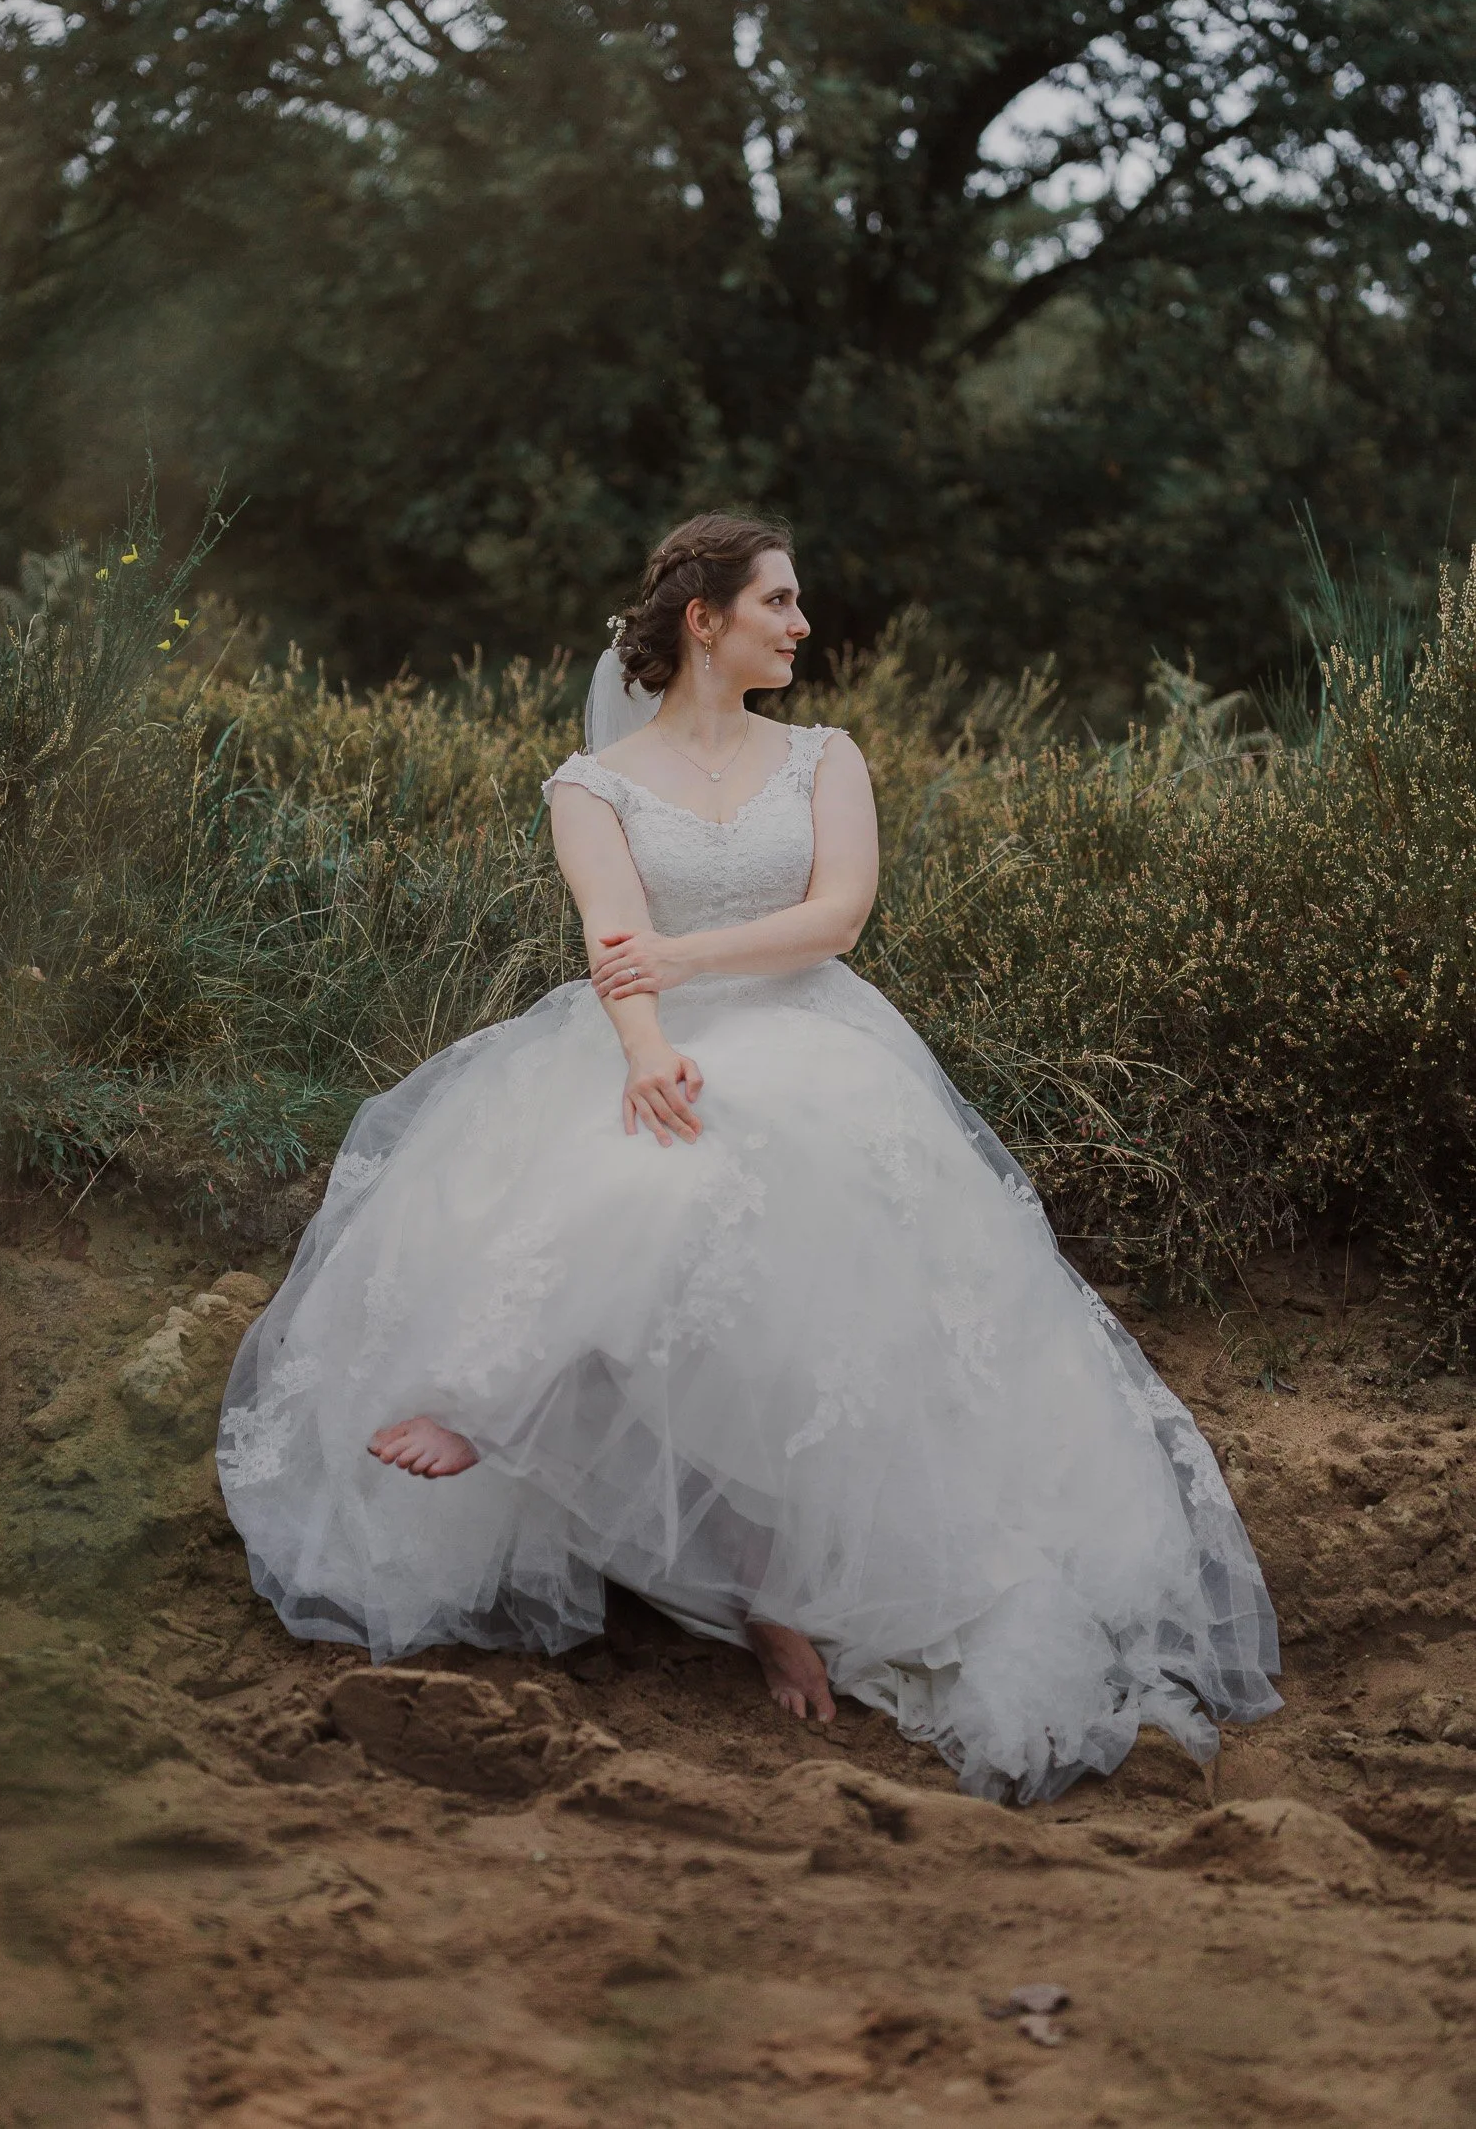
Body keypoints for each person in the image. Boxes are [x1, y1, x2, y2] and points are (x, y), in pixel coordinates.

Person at [218, 513, 1281, 1803]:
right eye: (779, 601)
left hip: (809, 1030)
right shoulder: (590, 787)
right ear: (703, 622)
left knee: (748, 1208)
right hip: (653, 1035)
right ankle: (511, 1404)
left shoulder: (826, 757)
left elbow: (836, 917)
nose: (802, 624)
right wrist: (649, 1045)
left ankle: (759, 1577)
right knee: (653, 1163)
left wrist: (687, 959)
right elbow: (614, 940)